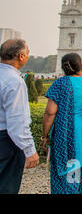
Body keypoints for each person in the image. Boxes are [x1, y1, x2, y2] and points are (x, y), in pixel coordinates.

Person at [41, 41, 82, 194]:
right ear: (81, 64)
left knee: (68, 177)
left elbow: (50, 113)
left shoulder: (60, 84)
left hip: (69, 137)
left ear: (64, 67)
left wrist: (44, 136)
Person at [0, 39, 39, 194]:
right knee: (6, 185)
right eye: (28, 52)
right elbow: (17, 122)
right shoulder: (14, 82)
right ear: (21, 57)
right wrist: (29, 150)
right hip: (6, 142)